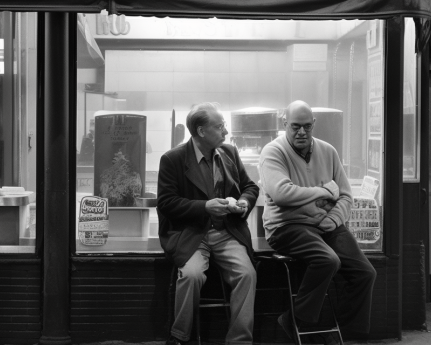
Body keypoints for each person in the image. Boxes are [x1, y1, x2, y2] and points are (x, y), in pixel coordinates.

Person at [258, 100, 377, 345]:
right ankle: (294, 321)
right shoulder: (273, 152)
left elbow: (345, 195)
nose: (301, 132)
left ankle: (345, 333)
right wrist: (322, 192)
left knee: (365, 273)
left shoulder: (328, 151)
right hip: (286, 226)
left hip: (326, 224)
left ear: (314, 124)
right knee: (327, 259)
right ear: (284, 124)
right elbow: (282, 194)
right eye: (295, 127)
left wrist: (334, 219)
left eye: (307, 126)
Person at [156, 102, 259, 345]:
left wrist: (243, 202)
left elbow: (250, 187)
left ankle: (240, 340)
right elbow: (167, 203)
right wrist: (204, 206)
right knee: (191, 276)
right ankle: (179, 337)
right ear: (201, 131)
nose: (225, 132)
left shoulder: (229, 153)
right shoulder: (173, 159)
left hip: (226, 232)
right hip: (192, 233)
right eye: (220, 126)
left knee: (247, 274)